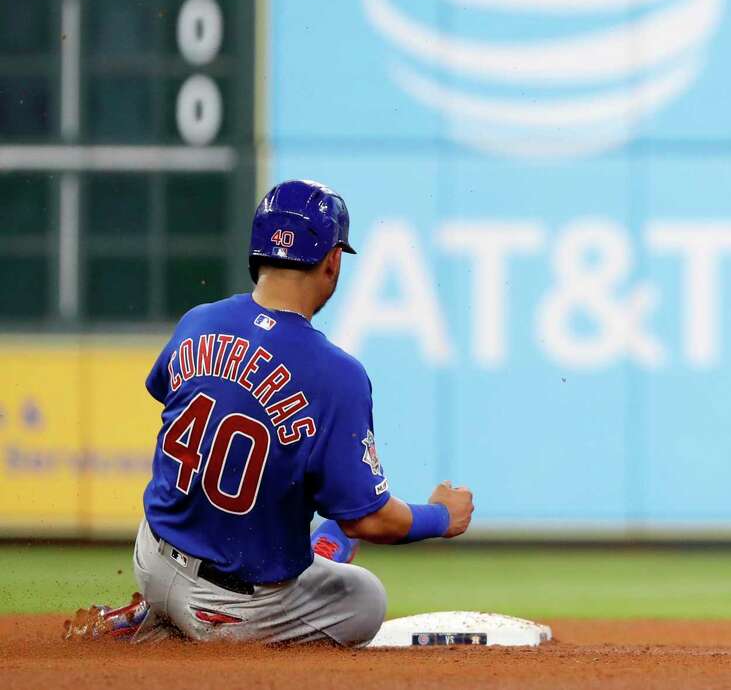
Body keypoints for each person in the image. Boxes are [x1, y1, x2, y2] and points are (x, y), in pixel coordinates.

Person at [66, 179, 474, 645]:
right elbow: (370, 520)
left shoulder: (198, 320)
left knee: (305, 510)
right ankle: (181, 626)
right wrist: (441, 517)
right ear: (333, 260)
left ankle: (153, 609)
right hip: (225, 608)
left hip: (151, 558)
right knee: (365, 598)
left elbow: (175, 396)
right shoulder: (337, 374)